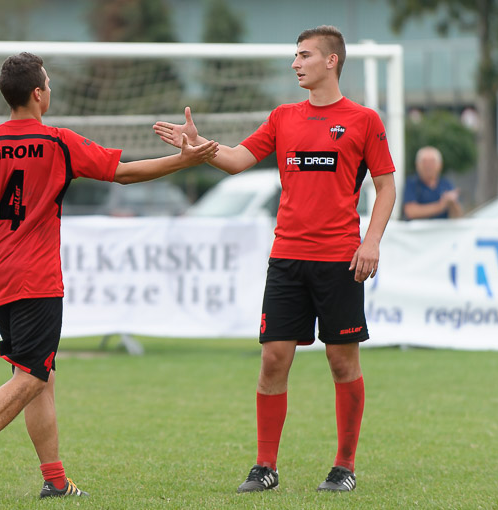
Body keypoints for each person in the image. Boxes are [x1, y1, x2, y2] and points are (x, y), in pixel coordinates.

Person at [0, 52, 218, 503]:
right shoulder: (57, 142)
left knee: (38, 373)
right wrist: (183, 161)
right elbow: (123, 173)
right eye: (48, 83)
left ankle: (56, 481)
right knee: (31, 376)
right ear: (38, 93)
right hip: (36, 277)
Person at [153, 25, 396, 493]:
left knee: (342, 363)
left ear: (331, 61)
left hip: (340, 261)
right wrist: (199, 147)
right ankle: (265, 467)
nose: (295, 63)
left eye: (304, 55)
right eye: (295, 55)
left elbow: (385, 186)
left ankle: (344, 466)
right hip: (287, 258)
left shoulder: (364, 120)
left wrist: (371, 241)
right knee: (272, 361)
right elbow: (237, 159)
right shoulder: (283, 116)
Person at [403, 145, 463, 219]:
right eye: (424, 162)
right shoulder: (412, 183)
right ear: (417, 165)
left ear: (440, 165)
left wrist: (452, 203)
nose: (428, 166)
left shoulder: (446, 184)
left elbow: (458, 216)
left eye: (432, 162)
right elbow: (411, 212)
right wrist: (441, 206)